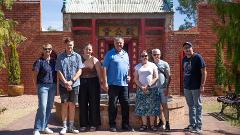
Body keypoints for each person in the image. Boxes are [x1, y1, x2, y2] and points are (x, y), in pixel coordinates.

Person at [102, 37, 134, 132]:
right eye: (117, 43)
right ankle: (112, 124)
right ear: (114, 43)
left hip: (124, 85)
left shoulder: (126, 54)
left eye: (120, 43)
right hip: (113, 84)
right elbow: (104, 68)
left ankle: (125, 124)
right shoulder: (109, 54)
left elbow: (128, 67)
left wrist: (129, 76)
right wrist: (105, 82)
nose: (119, 44)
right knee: (113, 105)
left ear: (123, 43)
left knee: (126, 104)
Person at [56, 37, 84, 134]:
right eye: (68, 45)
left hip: (75, 84)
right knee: (64, 105)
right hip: (63, 85)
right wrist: (65, 82)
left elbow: (80, 70)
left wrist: (71, 81)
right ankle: (64, 127)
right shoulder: (60, 57)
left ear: (73, 45)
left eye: (71, 45)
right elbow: (58, 71)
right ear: (65, 45)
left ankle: (71, 127)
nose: (69, 47)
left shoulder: (78, 56)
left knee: (72, 105)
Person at [182, 42, 207, 134]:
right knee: (191, 106)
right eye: (185, 48)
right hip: (187, 87)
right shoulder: (184, 59)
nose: (187, 49)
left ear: (192, 48)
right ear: (184, 50)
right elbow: (185, 72)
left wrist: (202, 85)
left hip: (196, 86)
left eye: (189, 47)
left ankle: (199, 126)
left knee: (198, 106)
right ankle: (192, 124)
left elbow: (204, 72)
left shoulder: (198, 57)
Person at [33, 43, 57, 135]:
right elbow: (34, 75)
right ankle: (36, 128)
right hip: (42, 86)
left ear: (51, 50)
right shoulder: (39, 61)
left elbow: (57, 74)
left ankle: (45, 127)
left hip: (52, 86)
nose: (48, 51)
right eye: (46, 49)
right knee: (42, 107)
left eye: (49, 49)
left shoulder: (54, 61)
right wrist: (36, 86)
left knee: (49, 107)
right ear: (43, 50)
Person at [134, 50, 159, 132]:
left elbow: (156, 77)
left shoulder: (153, 65)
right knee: (142, 108)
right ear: (140, 57)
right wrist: (142, 87)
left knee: (152, 107)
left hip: (151, 89)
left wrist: (148, 86)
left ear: (148, 56)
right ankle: (144, 125)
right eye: (142, 56)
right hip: (141, 90)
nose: (144, 57)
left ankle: (152, 125)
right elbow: (136, 79)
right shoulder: (137, 67)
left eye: (145, 56)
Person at [79, 44, 102, 132]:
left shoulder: (95, 60)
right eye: (86, 49)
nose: (88, 51)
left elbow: (99, 74)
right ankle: (83, 124)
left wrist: (101, 84)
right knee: (83, 103)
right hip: (82, 83)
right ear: (83, 50)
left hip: (93, 83)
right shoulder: (79, 59)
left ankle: (94, 124)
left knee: (94, 103)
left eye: (90, 49)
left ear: (92, 51)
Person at [152, 49, 171, 131]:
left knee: (164, 106)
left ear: (160, 54)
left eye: (158, 54)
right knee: (157, 106)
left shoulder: (164, 64)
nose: (156, 56)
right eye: (155, 54)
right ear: (152, 55)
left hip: (163, 88)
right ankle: (161, 121)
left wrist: (167, 88)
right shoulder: (150, 64)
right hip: (154, 89)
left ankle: (167, 123)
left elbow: (168, 77)